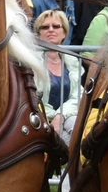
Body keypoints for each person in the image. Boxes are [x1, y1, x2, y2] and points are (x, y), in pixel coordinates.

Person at [33, 9, 82, 142]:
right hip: (40, 117)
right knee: (66, 140)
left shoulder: (73, 62)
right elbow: (35, 97)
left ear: (64, 32)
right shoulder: (31, 62)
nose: (50, 30)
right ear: (38, 33)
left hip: (66, 116)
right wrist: (54, 118)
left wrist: (60, 115)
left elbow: (77, 97)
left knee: (78, 128)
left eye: (56, 26)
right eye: (45, 27)